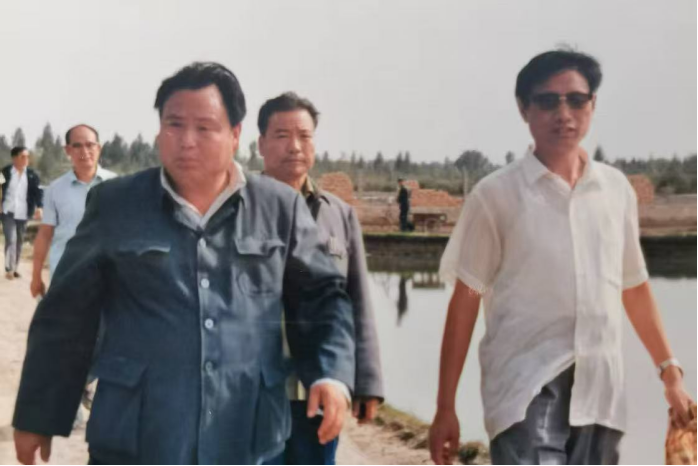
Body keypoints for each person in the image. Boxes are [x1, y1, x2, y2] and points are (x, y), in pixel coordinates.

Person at [13, 62, 356, 466]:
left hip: (246, 437)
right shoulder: (116, 204)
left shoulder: (280, 208)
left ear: (235, 135)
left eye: (204, 128)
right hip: (136, 439)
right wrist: (37, 414)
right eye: (174, 125)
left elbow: (323, 298)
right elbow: (66, 313)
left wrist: (332, 374)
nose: (187, 141)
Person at [429, 49, 695, 466]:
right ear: (524, 109)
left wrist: (670, 374)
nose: (563, 114)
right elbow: (467, 298)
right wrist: (445, 406)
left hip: (602, 391)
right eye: (548, 101)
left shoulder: (615, 191)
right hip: (525, 389)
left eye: (576, 100)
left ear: (593, 105)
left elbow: (634, 287)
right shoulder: (496, 196)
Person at [258, 92, 385, 465]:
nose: (294, 146)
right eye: (282, 135)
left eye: (304, 136)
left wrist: (366, 382)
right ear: (261, 144)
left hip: (318, 388)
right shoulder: (241, 208)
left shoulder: (338, 214)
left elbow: (356, 298)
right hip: (254, 391)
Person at [30, 124, 117, 297]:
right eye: (77, 146)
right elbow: (45, 234)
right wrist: (36, 276)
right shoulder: (55, 190)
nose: (84, 151)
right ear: (68, 150)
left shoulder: (118, 185)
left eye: (90, 145)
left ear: (99, 148)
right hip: (66, 276)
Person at [1, 147, 43, 280]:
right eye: (22, 157)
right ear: (14, 158)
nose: (26, 159)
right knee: (11, 239)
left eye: (27, 157)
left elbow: (38, 192)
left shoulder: (32, 175)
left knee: (19, 241)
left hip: (24, 213)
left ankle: (15, 267)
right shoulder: (4, 172)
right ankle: (9, 269)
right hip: (7, 211)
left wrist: (39, 207)